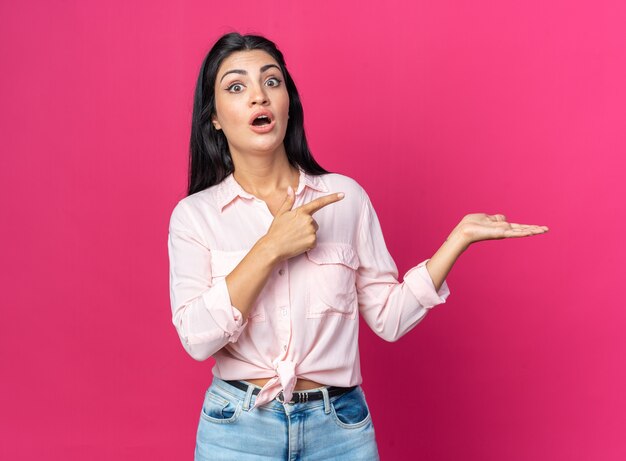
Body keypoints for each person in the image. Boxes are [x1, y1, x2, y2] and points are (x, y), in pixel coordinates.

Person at [167, 32, 549, 461]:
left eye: (271, 82)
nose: (258, 96)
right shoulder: (194, 216)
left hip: (339, 430)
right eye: (236, 87)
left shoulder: (345, 198)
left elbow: (389, 319)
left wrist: (455, 241)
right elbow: (197, 339)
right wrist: (270, 247)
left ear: (287, 102)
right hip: (237, 432)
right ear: (214, 117)